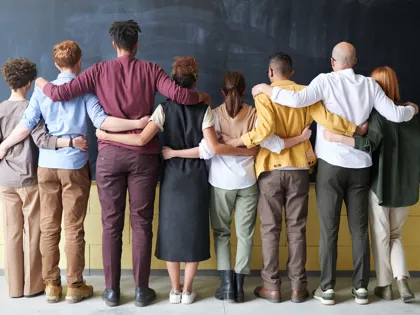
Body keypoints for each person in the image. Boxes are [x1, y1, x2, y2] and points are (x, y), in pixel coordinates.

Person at [35, 20, 211, 307]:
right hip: (144, 158)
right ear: (136, 44)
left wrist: (41, 81)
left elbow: (59, 94)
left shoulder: (99, 71)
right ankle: (142, 291)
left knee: (110, 225)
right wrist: (202, 96)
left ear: (114, 45)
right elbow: (179, 95)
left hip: (109, 157)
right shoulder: (151, 70)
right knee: (142, 224)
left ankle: (112, 292)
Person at [251, 42, 418, 305]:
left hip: (330, 165)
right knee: (359, 229)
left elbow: (294, 99)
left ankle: (327, 289)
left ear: (332, 62)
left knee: (329, 229)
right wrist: (413, 109)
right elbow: (396, 115)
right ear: (355, 61)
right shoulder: (369, 85)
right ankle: (361, 288)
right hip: (361, 166)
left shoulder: (324, 81)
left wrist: (264, 89)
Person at [96, 57, 258, 305]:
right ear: (195, 81)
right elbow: (211, 146)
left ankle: (174, 289)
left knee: (171, 231)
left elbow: (140, 140)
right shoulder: (204, 109)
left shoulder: (163, 109)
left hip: (171, 176)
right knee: (194, 230)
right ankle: (188, 289)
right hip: (196, 177)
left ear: (172, 81)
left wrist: (107, 135)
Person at [0, 41, 152, 303]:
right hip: (74, 165)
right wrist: (137, 123)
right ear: (79, 62)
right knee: (73, 228)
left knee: (48, 227)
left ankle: (51, 286)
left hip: (46, 166)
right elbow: (102, 121)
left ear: (56, 63)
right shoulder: (85, 91)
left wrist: (3, 145)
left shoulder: (41, 92)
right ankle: (75, 285)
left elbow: (25, 127)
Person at [220, 52, 364, 304]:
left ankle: (271, 287)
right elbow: (327, 119)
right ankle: (298, 288)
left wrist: (238, 141)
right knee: (297, 230)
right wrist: (354, 129)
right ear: (293, 72)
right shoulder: (306, 93)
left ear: (270, 72)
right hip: (298, 169)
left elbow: (263, 131)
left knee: (269, 230)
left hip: (271, 170)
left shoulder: (264, 95)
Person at [161, 71, 289, 303]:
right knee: (245, 234)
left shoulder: (213, 114)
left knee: (222, 233)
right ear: (243, 90)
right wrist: (246, 150)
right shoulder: (254, 113)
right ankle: (239, 287)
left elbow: (208, 150)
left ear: (222, 91)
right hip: (248, 181)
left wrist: (225, 143)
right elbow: (259, 146)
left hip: (220, 183)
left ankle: (227, 285)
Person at [323, 66, 418, 303]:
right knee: (396, 235)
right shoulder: (411, 115)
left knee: (381, 236)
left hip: (380, 187)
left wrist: (336, 137)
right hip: (405, 188)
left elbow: (368, 143)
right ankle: (403, 280)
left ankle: (385, 286)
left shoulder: (377, 116)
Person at [0, 58, 86, 298]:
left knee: (12, 233)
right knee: (35, 231)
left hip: (5, 178)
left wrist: (4, 147)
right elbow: (41, 139)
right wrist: (69, 142)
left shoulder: (0, 109)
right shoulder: (32, 105)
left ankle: (15, 288)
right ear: (28, 83)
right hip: (28, 177)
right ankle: (33, 286)